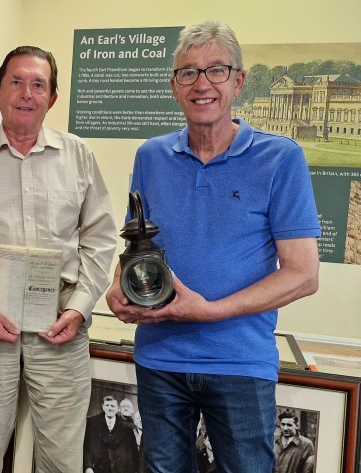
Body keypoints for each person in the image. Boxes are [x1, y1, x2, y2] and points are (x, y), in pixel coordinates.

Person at [106, 19, 321, 473]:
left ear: (238, 80)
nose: (201, 84)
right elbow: (136, 249)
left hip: (240, 363)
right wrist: (117, 290)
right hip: (160, 358)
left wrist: (210, 310)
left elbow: (303, 274)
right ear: (174, 86)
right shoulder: (151, 156)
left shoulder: (281, 158)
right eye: (188, 72)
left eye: (216, 70)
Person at [0, 45, 117, 472]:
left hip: (60, 327)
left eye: (39, 85)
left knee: (62, 460)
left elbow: (101, 239)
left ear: (52, 99)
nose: (27, 93)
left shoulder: (79, 157)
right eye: (16, 82)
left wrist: (79, 307)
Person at [83, 395, 139, 473]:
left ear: (118, 409)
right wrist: (88, 467)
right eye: (107, 405)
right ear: (103, 407)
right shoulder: (93, 423)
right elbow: (86, 447)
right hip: (98, 469)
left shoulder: (126, 426)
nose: (109, 408)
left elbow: (134, 452)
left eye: (112, 406)